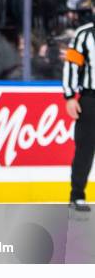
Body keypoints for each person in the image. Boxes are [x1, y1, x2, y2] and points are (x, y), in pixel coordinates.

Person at [62, 22, 95, 211]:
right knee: (85, 149)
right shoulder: (84, 34)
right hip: (91, 98)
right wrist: (69, 96)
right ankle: (77, 195)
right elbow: (71, 65)